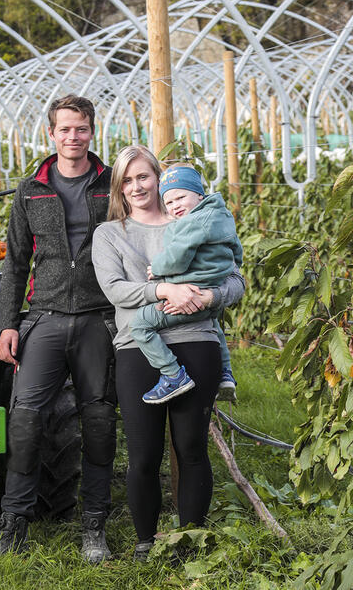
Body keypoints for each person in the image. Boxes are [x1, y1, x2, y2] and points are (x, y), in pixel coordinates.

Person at [0, 94, 117, 562]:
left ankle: (94, 527)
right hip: (46, 316)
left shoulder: (110, 185)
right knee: (24, 418)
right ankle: (13, 522)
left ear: (91, 132)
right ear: (51, 134)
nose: (73, 137)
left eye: (81, 128)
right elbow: (15, 263)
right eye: (65, 129)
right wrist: (9, 326)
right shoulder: (31, 190)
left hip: (99, 317)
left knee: (98, 419)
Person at [91, 145, 245, 561]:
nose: (137, 186)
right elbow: (117, 291)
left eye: (144, 176)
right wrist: (165, 290)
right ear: (118, 188)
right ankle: (145, 540)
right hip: (137, 347)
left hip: (196, 338)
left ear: (159, 178)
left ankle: (189, 540)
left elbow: (235, 281)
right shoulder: (110, 234)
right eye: (127, 180)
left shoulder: (194, 219)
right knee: (143, 451)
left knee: (190, 445)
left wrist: (209, 295)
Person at [130, 165, 243, 404]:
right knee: (214, 324)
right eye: (169, 203)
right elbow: (237, 251)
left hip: (186, 294)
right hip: (211, 291)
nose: (175, 206)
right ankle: (225, 373)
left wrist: (157, 268)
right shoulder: (221, 217)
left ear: (199, 194)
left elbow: (178, 257)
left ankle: (173, 375)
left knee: (140, 324)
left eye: (181, 197)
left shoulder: (194, 223)